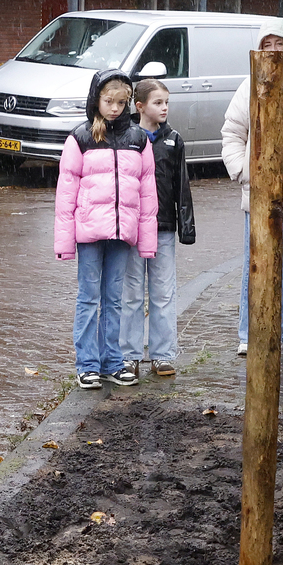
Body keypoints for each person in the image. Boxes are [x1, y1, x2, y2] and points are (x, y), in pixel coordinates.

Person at [220, 26, 283, 356]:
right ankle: (251, 332)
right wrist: (244, 171)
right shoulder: (249, 83)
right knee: (257, 267)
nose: (275, 49)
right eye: (268, 43)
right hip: (260, 194)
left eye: (281, 43)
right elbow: (232, 133)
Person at [55, 68, 157, 389]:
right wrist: (64, 242)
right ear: (96, 100)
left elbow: (147, 194)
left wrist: (147, 241)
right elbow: (66, 193)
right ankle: (87, 364)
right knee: (88, 298)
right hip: (89, 232)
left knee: (114, 299)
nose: (114, 108)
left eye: (120, 102)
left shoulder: (139, 140)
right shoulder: (81, 137)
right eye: (108, 101)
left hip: (121, 232)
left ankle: (112, 361)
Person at [124, 79, 196, 379]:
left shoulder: (173, 140)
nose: (164, 107)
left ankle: (162, 354)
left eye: (167, 102)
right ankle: (128, 355)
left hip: (163, 226)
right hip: (132, 228)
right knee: (131, 293)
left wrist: (186, 226)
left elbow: (182, 185)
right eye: (158, 102)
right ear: (140, 106)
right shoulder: (126, 137)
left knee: (163, 292)